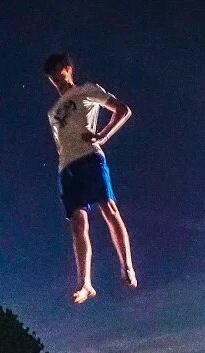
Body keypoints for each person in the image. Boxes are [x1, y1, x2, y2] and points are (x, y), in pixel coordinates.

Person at [43, 53, 136, 304]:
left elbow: (122, 110)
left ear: (69, 70)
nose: (57, 81)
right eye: (52, 78)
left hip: (90, 158)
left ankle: (126, 266)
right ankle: (85, 283)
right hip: (66, 168)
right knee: (77, 223)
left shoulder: (87, 90)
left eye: (59, 74)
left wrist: (103, 136)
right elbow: (61, 143)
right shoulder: (52, 113)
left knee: (109, 209)